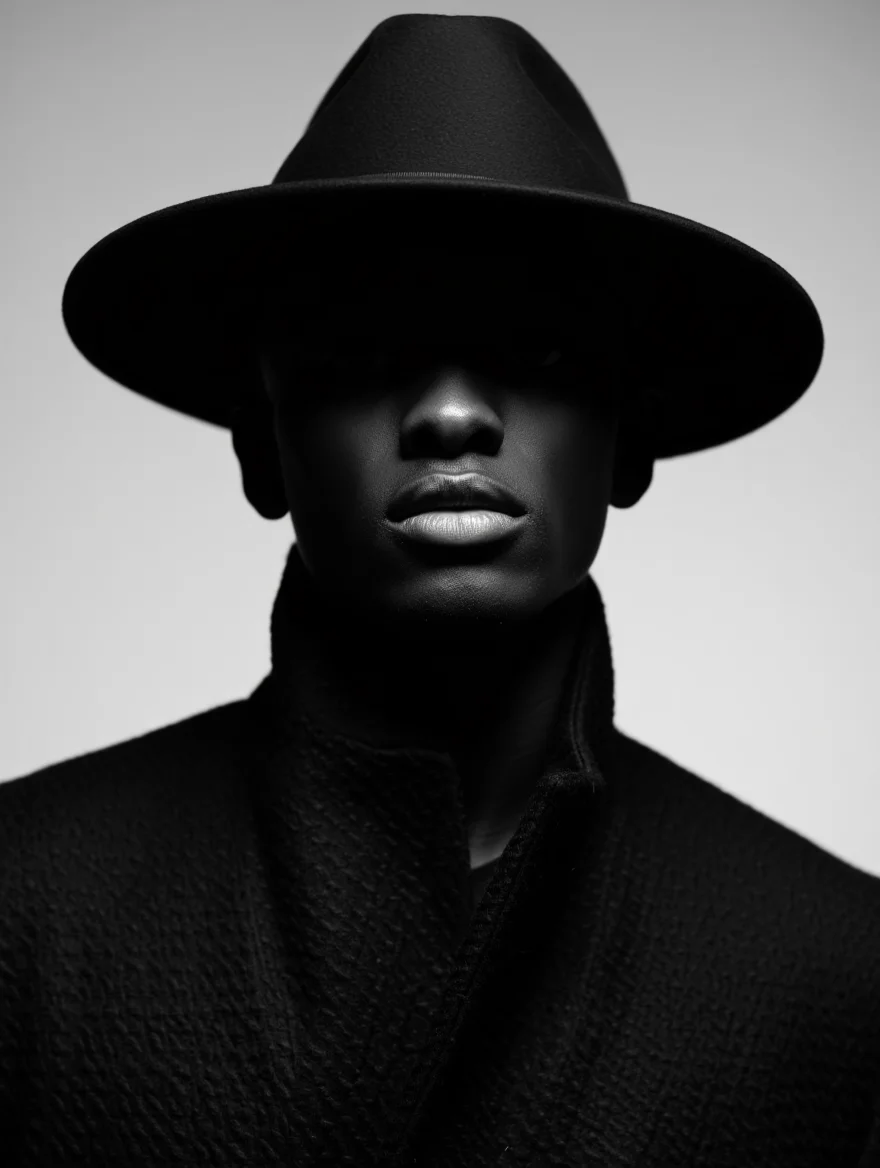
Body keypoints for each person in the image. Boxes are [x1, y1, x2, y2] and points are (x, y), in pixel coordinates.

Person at [1, 13, 878, 1167]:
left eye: (542, 344)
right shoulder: (26, 907)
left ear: (630, 442)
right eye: (365, 341)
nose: (453, 411)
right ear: (261, 446)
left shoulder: (833, 978)